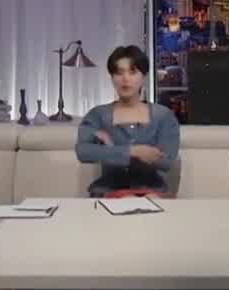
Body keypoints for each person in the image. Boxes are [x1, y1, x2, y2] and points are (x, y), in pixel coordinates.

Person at [76, 45, 180, 197]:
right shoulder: (98, 114)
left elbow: (166, 160)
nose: (125, 79)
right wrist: (133, 152)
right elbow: (83, 151)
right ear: (112, 78)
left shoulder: (163, 116)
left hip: (152, 194)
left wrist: (110, 151)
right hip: (108, 194)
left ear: (143, 77)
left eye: (132, 72)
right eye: (119, 72)